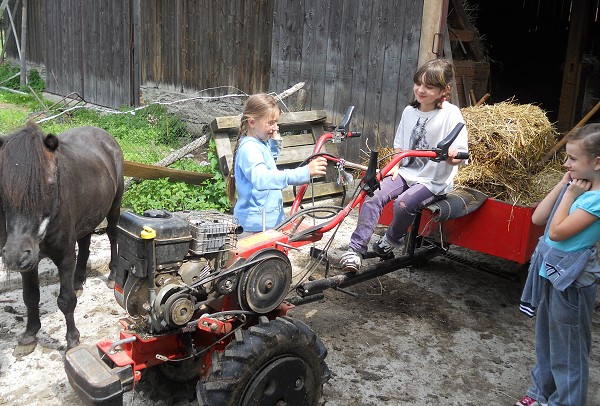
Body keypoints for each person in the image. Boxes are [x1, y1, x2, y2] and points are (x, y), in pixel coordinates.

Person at [339, 58, 468, 272]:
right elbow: (399, 146)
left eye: (429, 86)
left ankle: (391, 238)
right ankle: (355, 250)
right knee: (372, 195)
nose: (421, 90)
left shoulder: (451, 114)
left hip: (433, 180)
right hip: (406, 171)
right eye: (418, 83)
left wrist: (450, 155)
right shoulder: (409, 112)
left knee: (404, 204)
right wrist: (395, 167)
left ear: (445, 89)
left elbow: (460, 156)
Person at [515, 123, 600, 406]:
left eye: (573, 159)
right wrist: (562, 185)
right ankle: (540, 393)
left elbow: (556, 232)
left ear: (597, 163)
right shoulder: (574, 189)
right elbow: (538, 218)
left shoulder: (596, 201)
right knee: (547, 340)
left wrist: (571, 195)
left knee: (570, 350)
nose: (566, 164)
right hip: (552, 273)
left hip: (572, 284)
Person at [226, 93, 327, 234]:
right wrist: (304, 172)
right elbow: (262, 179)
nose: (276, 127)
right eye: (270, 122)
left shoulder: (259, 143)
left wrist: (273, 145)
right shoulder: (249, 149)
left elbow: (267, 167)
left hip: (267, 222)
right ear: (252, 122)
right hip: (256, 227)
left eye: (276, 122)